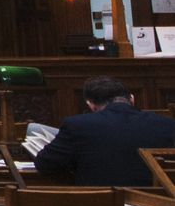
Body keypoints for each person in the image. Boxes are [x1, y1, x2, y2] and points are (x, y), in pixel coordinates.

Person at [33, 76, 175, 188]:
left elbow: (44, 164)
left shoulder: (78, 125)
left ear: (91, 105)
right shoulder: (168, 125)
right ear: (132, 99)